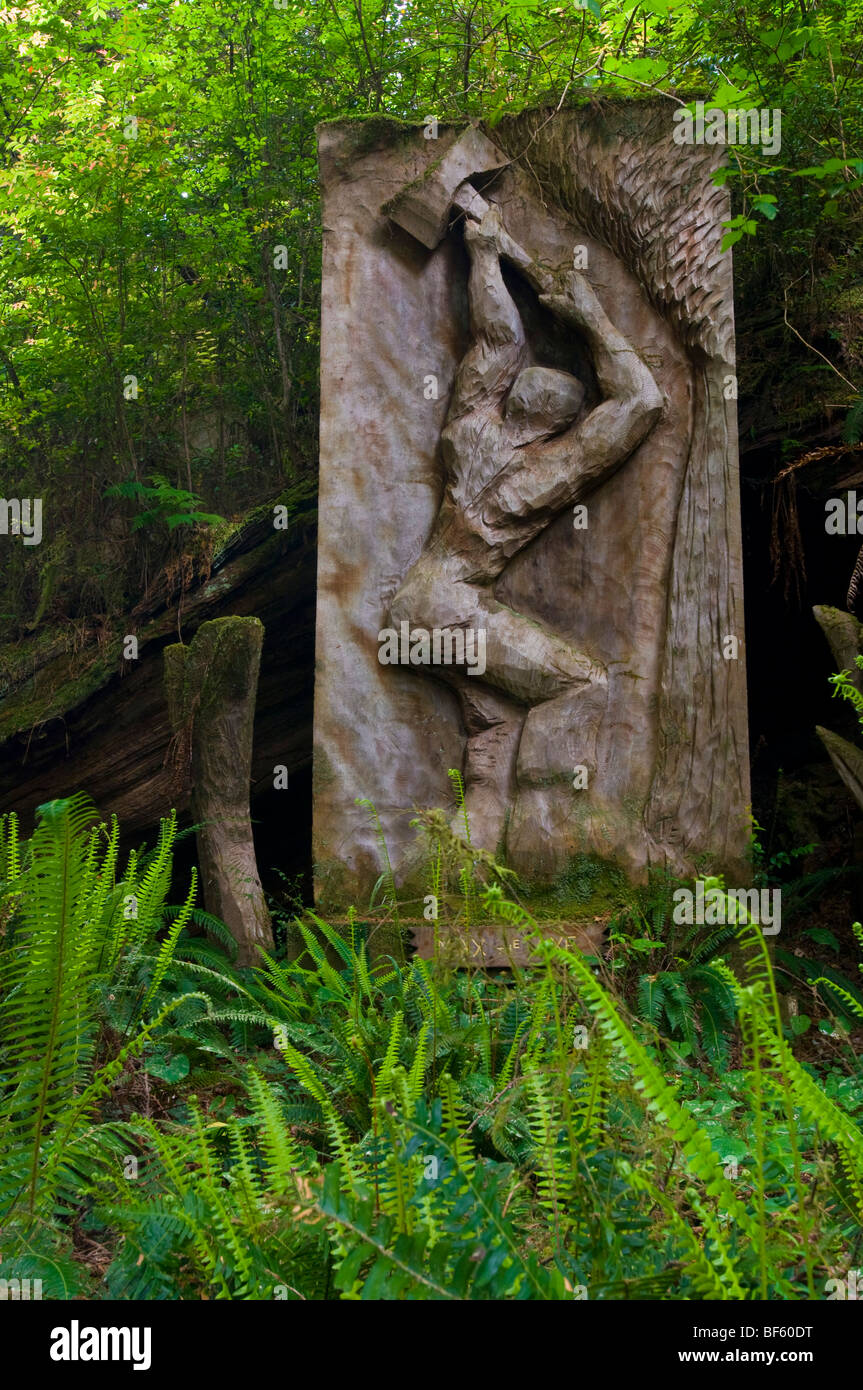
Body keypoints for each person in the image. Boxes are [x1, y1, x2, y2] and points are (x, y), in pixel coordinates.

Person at [389, 202, 663, 851]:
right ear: (560, 426)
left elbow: (497, 339)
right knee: (579, 684)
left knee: (493, 727)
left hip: (413, 607)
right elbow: (642, 400)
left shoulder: (467, 429)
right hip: (447, 611)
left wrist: (483, 252)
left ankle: (471, 852)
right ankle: (551, 834)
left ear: (512, 399)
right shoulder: (550, 471)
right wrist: (589, 317)